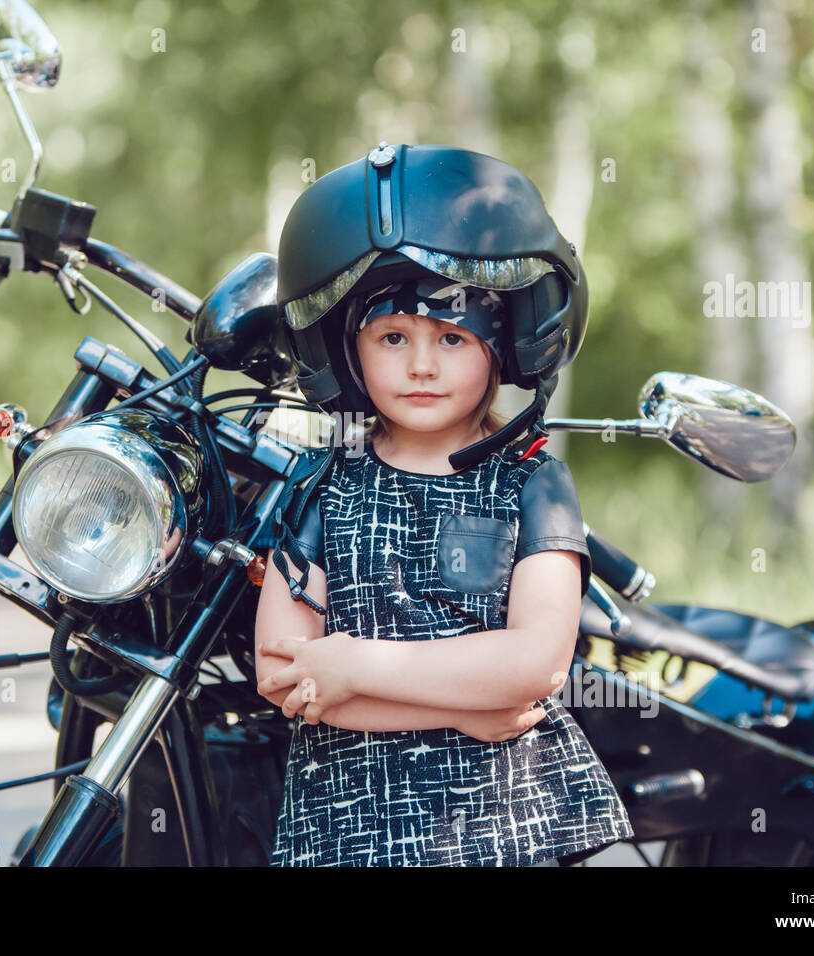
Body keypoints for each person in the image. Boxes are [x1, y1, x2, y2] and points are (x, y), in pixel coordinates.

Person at [252, 143, 634, 866]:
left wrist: (351, 668)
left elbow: (534, 665)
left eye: (452, 337)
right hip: (348, 830)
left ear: (502, 347)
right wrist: (470, 703)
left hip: (504, 824)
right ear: (349, 351)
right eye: (392, 336)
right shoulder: (321, 483)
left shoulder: (532, 483)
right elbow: (282, 671)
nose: (421, 365)